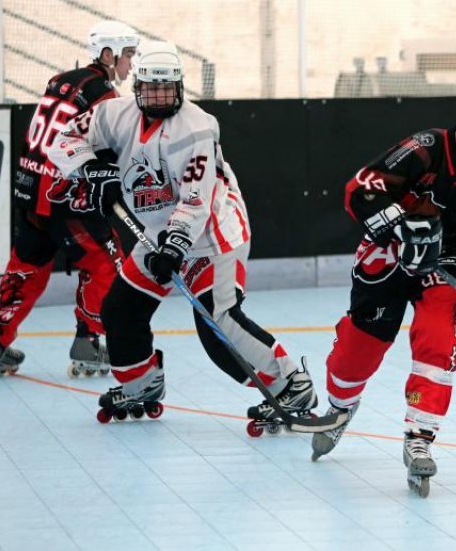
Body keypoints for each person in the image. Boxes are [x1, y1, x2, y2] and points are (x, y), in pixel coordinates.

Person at [47, 40, 316, 422]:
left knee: (217, 323)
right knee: (121, 310)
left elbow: (195, 200)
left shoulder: (197, 129)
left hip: (212, 234)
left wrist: (174, 247)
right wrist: (92, 171)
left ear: (180, 87)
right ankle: (140, 382)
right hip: (156, 231)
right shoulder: (112, 114)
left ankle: (290, 384)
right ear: (137, 87)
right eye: (151, 88)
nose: (159, 96)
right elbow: (64, 140)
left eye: (167, 88)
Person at [309, 89, 456, 495]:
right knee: (358, 349)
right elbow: (360, 190)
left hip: (441, 266)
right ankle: (341, 406)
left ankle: (420, 436)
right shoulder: (427, 149)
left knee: (438, 338)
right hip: (388, 254)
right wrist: (401, 225)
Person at [0, 20, 139, 378]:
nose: (131, 65)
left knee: (27, 264)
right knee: (106, 263)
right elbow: (109, 146)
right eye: (128, 56)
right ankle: (88, 342)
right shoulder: (104, 93)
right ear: (108, 54)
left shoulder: (62, 79)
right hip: (63, 197)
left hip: (31, 188)